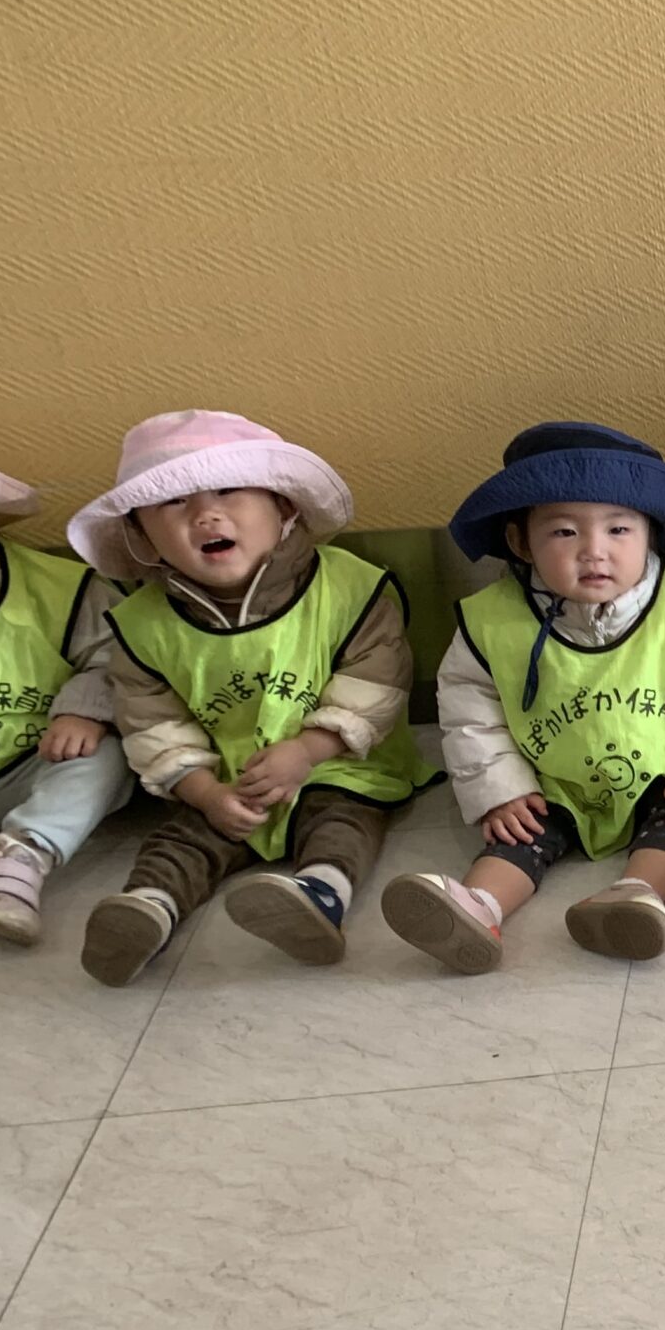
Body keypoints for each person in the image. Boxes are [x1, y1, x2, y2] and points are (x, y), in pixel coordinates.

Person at [66, 410, 433, 985]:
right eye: (174, 503)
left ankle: (320, 894)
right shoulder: (141, 626)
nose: (205, 514)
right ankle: (148, 907)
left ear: (284, 507)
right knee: (183, 837)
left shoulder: (351, 587)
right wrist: (204, 790)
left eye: (229, 491)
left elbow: (377, 678)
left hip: (337, 763)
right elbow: (151, 722)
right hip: (223, 775)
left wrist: (308, 749)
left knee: (341, 820)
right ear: (140, 536)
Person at [381, 422, 665, 971]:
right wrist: (500, 789)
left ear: (651, 535)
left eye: (619, 529)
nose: (593, 552)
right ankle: (477, 906)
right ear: (520, 543)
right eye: (563, 532)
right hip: (550, 778)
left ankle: (636, 895)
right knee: (520, 834)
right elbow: (469, 710)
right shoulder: (492, 620)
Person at [0, 462, 133, 945]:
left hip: (32, 762)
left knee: (107, 757)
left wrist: (84, 710)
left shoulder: (61, 589)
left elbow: (121, 654)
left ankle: (21, 855)